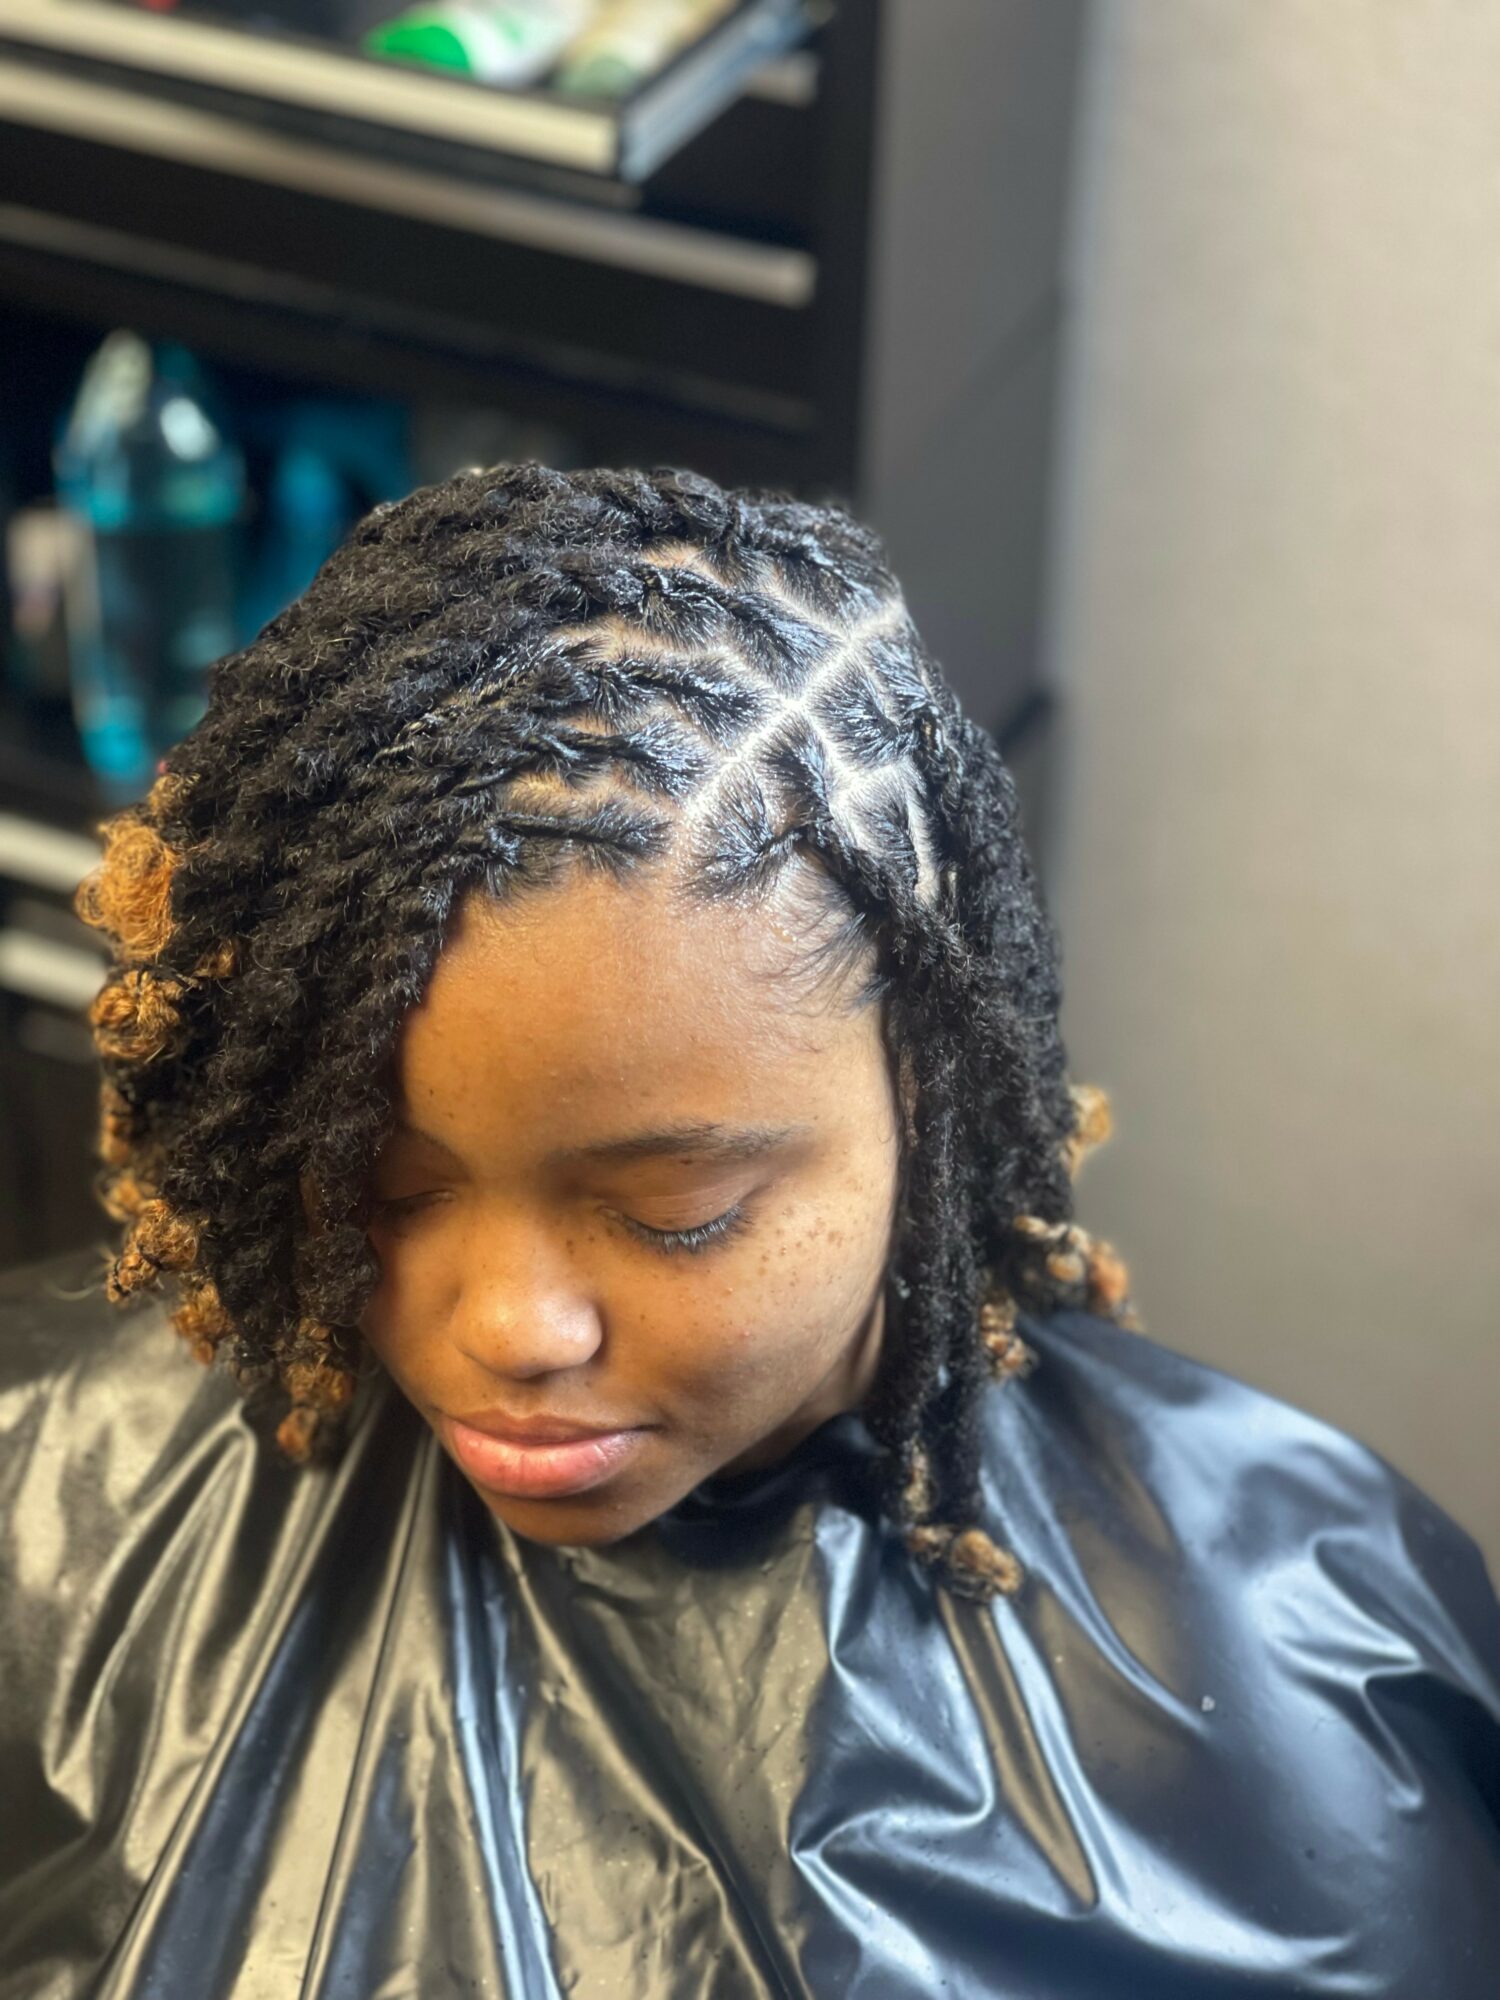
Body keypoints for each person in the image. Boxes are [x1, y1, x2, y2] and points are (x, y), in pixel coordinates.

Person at [0, 464, 1495, 1998]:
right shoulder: (51, 1501)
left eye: (676, 1214)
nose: (512, 1328)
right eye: (386, 1189)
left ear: (926, 1100)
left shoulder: (1293, 1669)